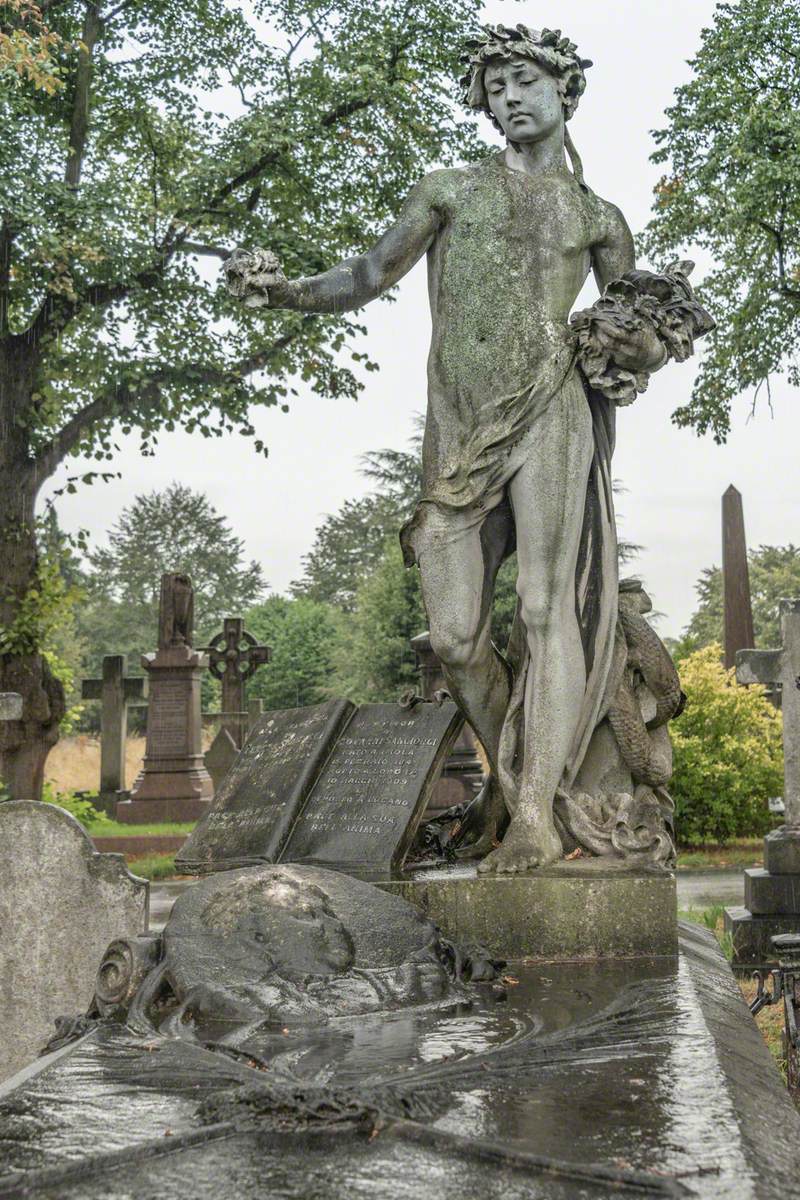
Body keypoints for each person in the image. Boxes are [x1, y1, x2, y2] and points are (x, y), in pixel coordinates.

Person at [225, 24, 710, 872]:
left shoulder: (598, 217)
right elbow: (369, 273)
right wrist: (287, 291)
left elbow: (634, 333)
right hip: (458, 429)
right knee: (453, 637)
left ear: (565, 91)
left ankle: (533, 815)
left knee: (541, 607)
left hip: (553, 410)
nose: (510, 99)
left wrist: (639, 345)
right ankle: (516, 773)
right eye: (495, 88)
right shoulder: (447, 189)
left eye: (524, 81)